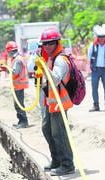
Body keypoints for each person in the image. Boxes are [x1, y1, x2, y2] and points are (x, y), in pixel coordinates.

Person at [36, 28, 75, 176]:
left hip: (60, 103)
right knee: (47, 129)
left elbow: (54, 79)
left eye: (50, 43)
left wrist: (44, 66)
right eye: (44, 44)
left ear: (57, 42)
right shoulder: (50, 58)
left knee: (59, 134)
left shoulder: (60, 60)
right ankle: (57, 160)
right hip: (51, 102)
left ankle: (67, 164)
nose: (47, 46)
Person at [87, 28, 105, 111]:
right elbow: (89, 56)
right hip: (95, 70)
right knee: (94, 88)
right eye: (100, 37)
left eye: (103, 37)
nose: (102, 38)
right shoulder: (93, 45)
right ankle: (96, 106)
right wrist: (92, 66)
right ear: (97, 37)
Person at [5, 41, 30, 129]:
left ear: (10, 51)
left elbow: (15, 72)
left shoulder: (18, 60)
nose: (7, 53)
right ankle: (21, 121)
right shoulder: (17, 58)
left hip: (19, 85)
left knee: (19, 104)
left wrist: (6, 69)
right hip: (18, 85)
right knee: (18, 104)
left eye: (7, 52)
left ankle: (24, 122)